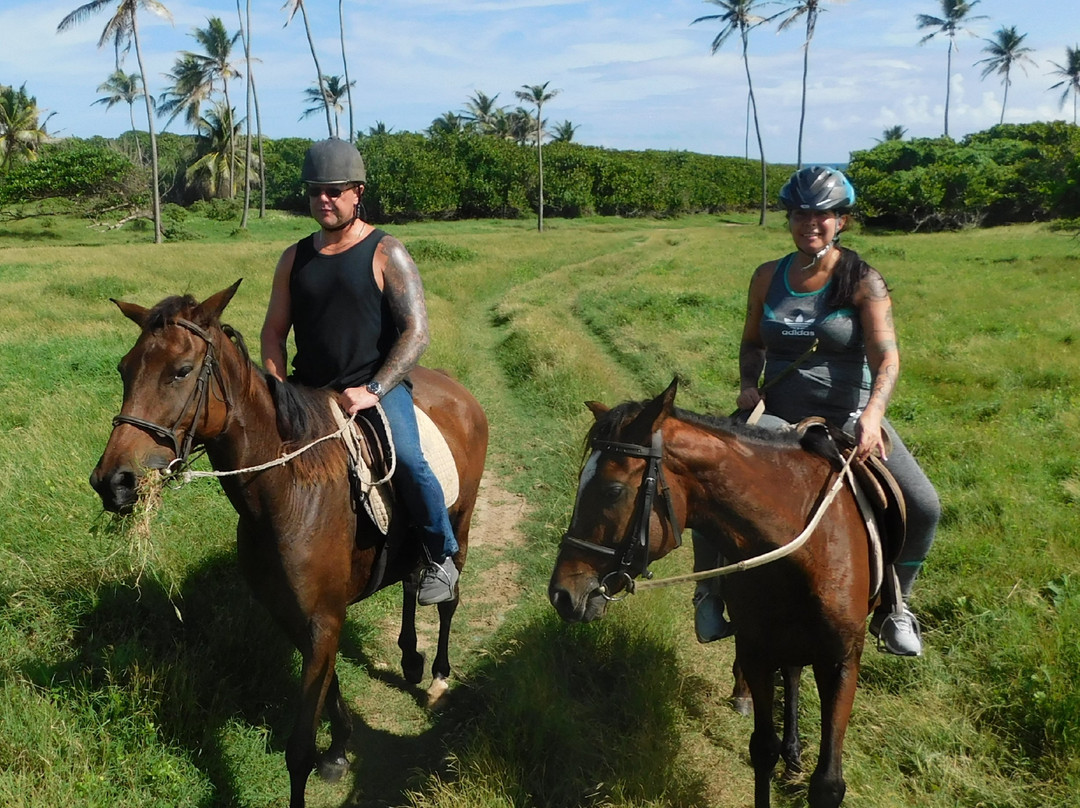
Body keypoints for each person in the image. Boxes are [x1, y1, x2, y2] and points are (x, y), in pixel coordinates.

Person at [693, 165, 940, 656]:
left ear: (841, 220)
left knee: (925, 506)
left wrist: (872, 414)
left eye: (822, 214)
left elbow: (886, 356)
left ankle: (897, 606)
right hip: (777, 410)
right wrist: (747, 384)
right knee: (708, 483)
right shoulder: (767, 276)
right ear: (790, 218)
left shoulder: (863, 281)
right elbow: (750, 343)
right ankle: (709, 594)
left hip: (848, 412)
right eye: (801, 213)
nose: (812, 223)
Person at [260, 137, 459, 606]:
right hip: (309, 389)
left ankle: (441, 554)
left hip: (373, 386)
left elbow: (416, 333)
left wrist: (373, 388)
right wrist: (277, 385)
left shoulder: (386, 251)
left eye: (334, 190)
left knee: (409, 460)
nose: (323, 200)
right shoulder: (294, 258)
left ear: (357, 192)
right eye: (315, 191)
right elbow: (273, 332)